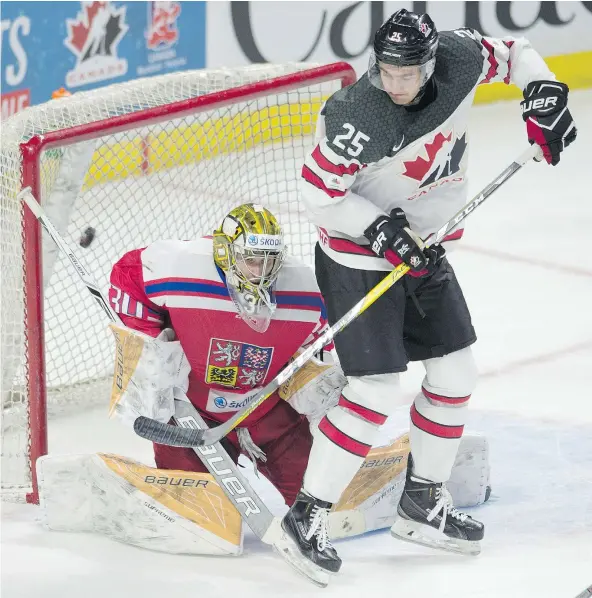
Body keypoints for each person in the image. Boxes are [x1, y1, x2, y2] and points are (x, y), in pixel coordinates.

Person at [281, 8, 577, 572]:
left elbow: (514, 54)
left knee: (455, 373)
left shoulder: (461, 57)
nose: (393, 84)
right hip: (355, 255)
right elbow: (319, 192)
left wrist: (541, 94)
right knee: (374, 390)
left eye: (407, 74)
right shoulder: (357, 114)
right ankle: (307, 516)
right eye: (385, 72)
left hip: (424, 245)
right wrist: (378, 227)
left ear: (432, 62)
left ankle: (423, 503)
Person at [108, 203, 337, 515]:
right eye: (252, 260)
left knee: (328, 504)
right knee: (197, 515)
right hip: (194, 417)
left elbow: (314, 351)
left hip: (267, 412)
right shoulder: (180, 266)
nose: (261, 273)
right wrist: (150, 345)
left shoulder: (305, 291)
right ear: (225, 252)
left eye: (270, 262)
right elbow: (127, 275)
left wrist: (315, 378)